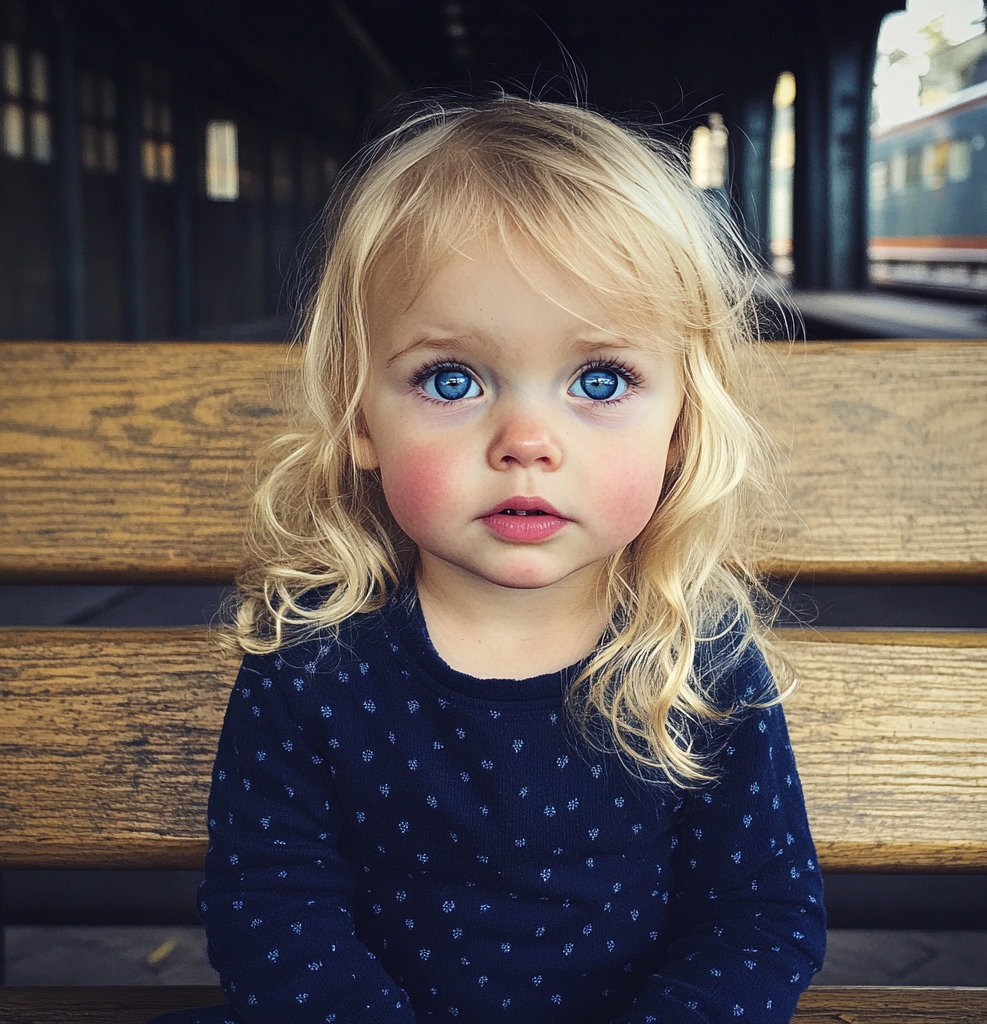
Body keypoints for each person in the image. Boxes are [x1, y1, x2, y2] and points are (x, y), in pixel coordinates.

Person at [153, 94, 825, 1024]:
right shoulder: (313, 660)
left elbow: (760, 915)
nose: (526, 440)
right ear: (359, 420)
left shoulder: (696, 655)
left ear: (681, 427)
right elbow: (273, 913)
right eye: (452, 379)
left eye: (600, 380)